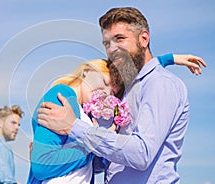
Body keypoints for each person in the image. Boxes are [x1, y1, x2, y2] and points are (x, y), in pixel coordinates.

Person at [36, 7, 207, 184]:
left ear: (144, 38)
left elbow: (142, 154)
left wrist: (74, 127)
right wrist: (55, 156)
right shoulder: (128, 90)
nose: (112, 49)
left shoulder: (160, 83)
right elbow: (113, 158)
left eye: (120, 39)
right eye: (107, 43)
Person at [28, 56, 205, 184]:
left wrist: (167, 60)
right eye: (105, 81)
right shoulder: (60, 96)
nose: (104, 93)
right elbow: (42, 165)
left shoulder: (84, 112)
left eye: (112, 92)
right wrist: (93, 145)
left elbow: (92, 165)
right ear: (88, 70)